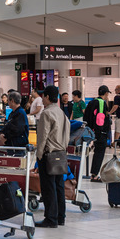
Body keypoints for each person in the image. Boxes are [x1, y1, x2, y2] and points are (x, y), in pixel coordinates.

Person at [35, 86, 70, 228]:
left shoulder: (46, 113)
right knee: (59, 186)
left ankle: (51, 219)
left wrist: (39, 155)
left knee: (48, 188)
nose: (42, 98)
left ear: (48, 97)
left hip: (48, 155)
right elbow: (67, 133)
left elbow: (42, 137)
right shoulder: (62, 113)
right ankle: (61, 217)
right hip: (61, 153)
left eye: (43, 96)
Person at [84, 85, 111, 182]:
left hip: (91, 131)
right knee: (99, 153)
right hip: (100, 132)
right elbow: (100, 118)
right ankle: (94, 175)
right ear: (106, 93)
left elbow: (86, 117)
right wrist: (102, 131)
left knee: (97, 153)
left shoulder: (91, 102)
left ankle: (93, 174)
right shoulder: (101, 102)